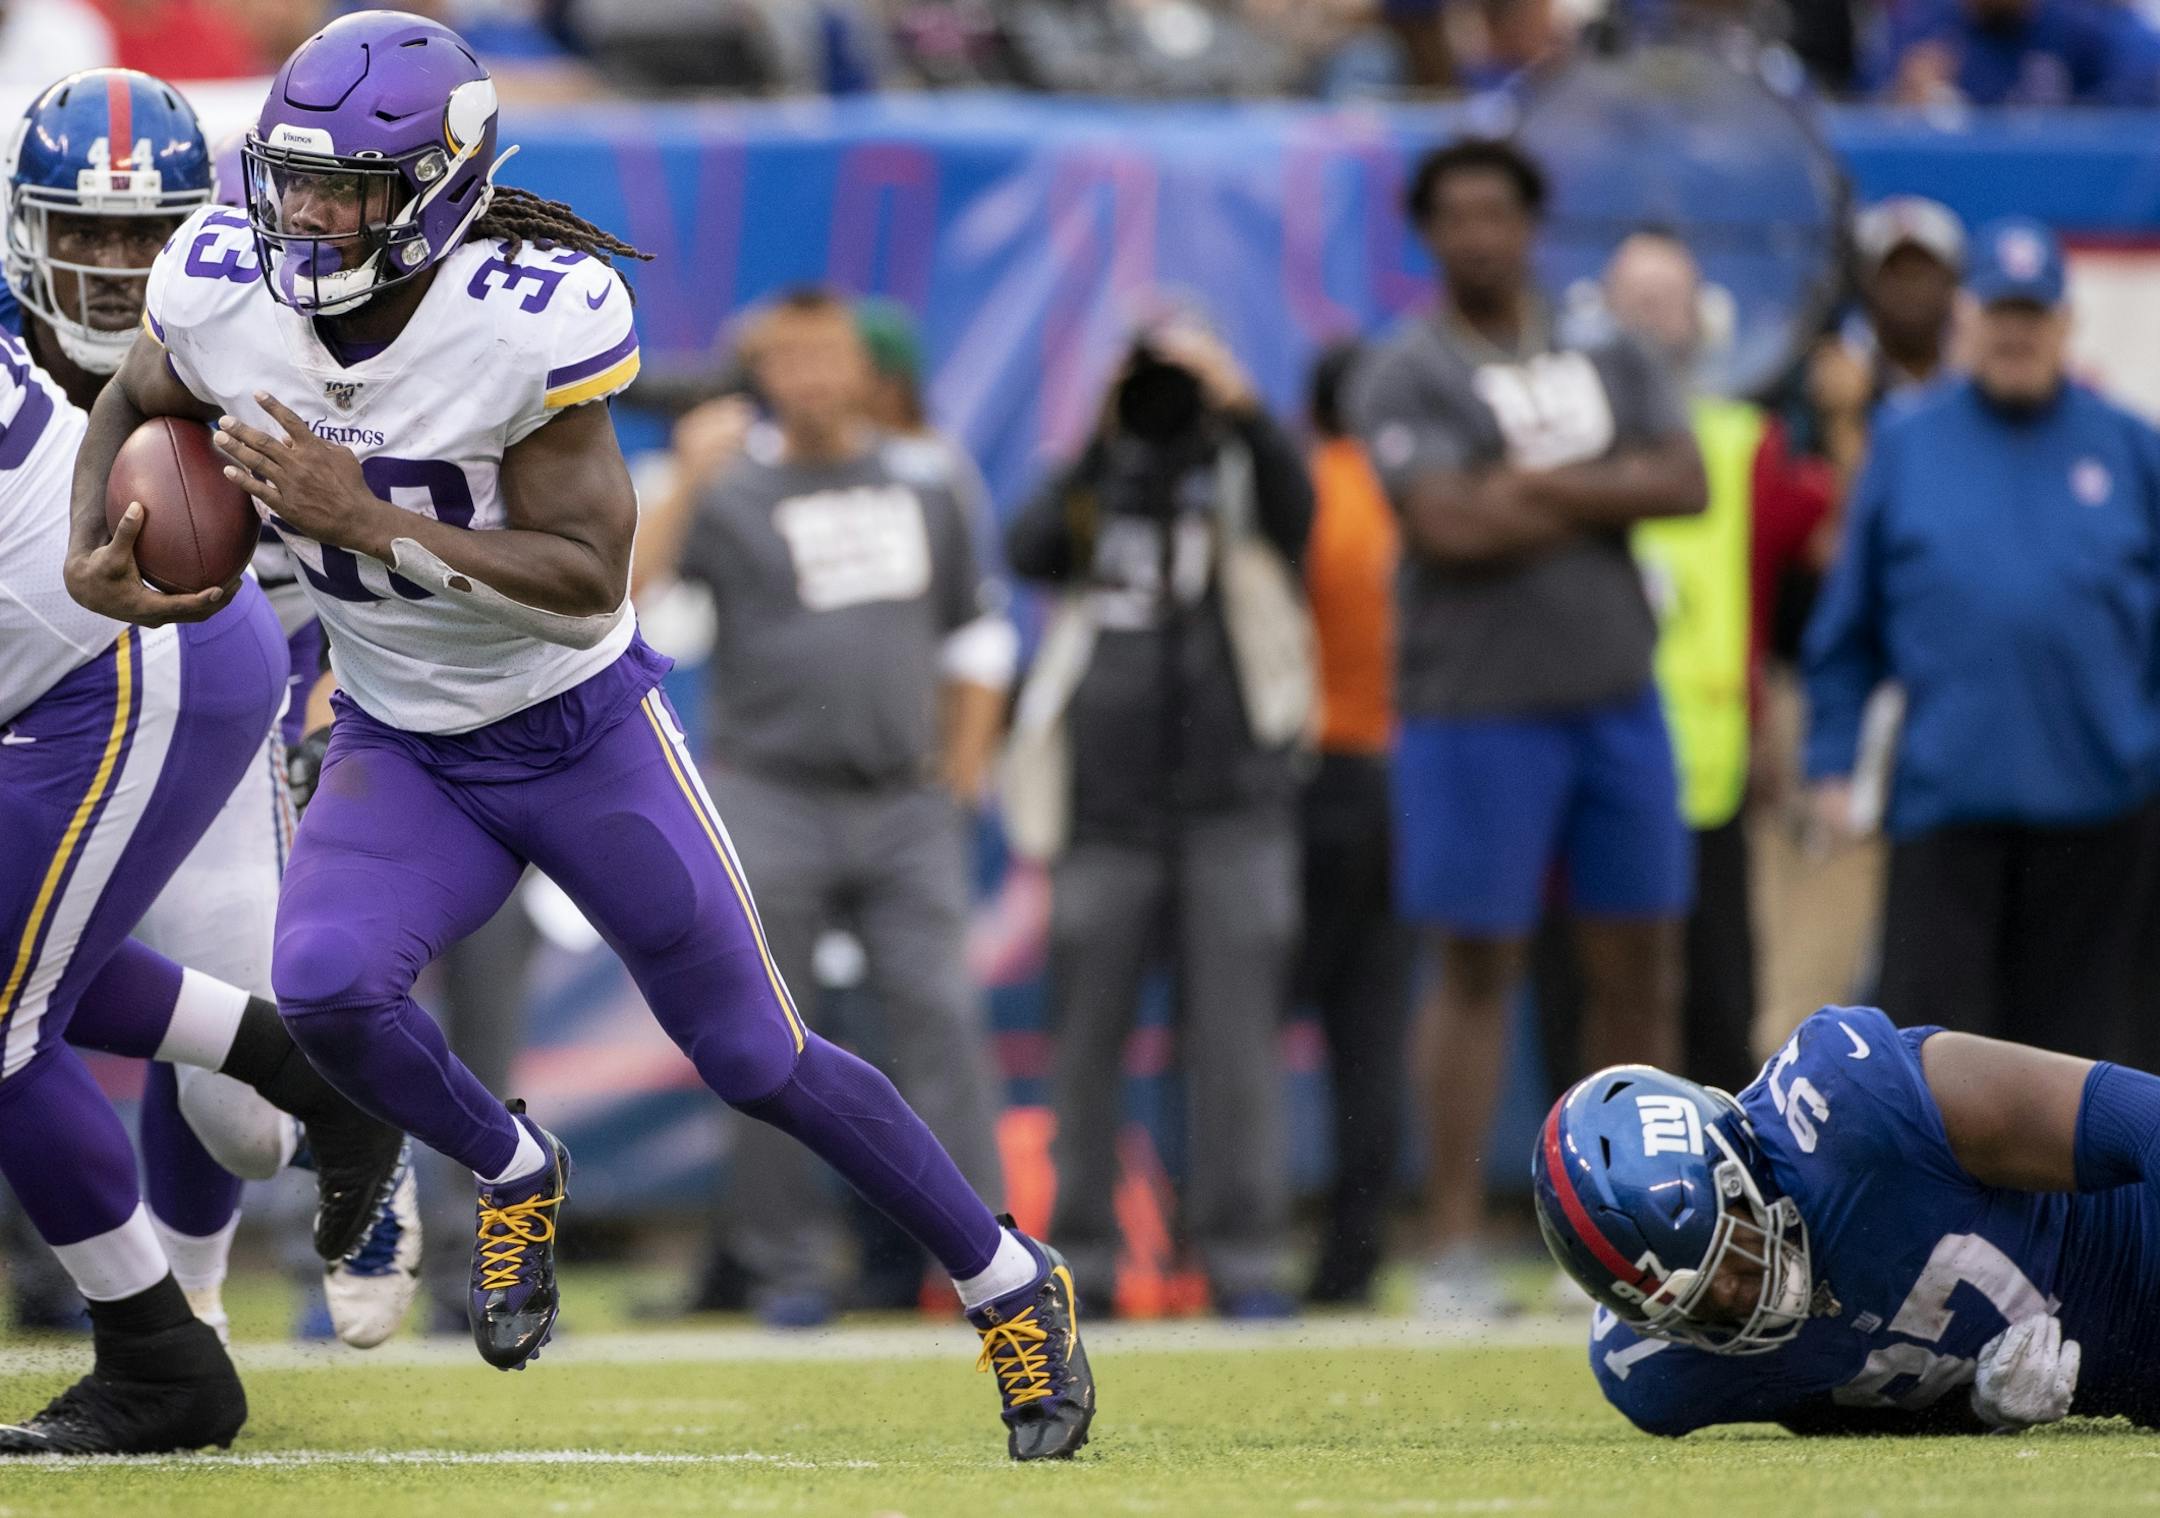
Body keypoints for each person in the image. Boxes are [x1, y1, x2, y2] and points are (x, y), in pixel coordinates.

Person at [69, 12, 1092, 1460]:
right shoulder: (224, 288)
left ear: (441, 187)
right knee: (324, 984)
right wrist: (83, 550)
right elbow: (133, 394)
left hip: (576, 731)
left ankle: (1007, 1280)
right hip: (402, 738)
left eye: (351, 188)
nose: (309, 213)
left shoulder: (522, 311)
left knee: (756, 1050)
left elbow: (584, 580)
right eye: (295, 179)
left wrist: (367, 516)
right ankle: (510, 1159)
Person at [0, 67, 412, 1456]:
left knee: (210, 1117)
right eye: (85, 233)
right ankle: (184, 1326)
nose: (115, 269)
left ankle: (178, 1325)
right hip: (80, 661)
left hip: (180, 673)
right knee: (15, 984)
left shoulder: (275, 322)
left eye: (144, 236)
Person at [1348, 139, 1705, 1318]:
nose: (1479, 235)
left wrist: (1529, 487)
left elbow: (1686, 480)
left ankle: (1639, 1233)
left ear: (1532, 222)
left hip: (1614, 694)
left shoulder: (1610, 343)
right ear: (1428, 233)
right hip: (1474, 706)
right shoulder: (1404, 369)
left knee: (1638, 961)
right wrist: (1602, 481)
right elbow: (1445, 526)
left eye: (1498, 212)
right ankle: (1451, 1235)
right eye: (1454, 216)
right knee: (1474, 961)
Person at [662, 288, 1015, 1327]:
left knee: (941, 1020)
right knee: (766, 1037)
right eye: (792, 359)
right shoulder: (729, 489)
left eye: (831, 358)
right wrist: (684, 482)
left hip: (906, 799)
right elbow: (631, 605)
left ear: (865, 370)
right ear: (761, 373)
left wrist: (962, 766)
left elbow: (978, 634)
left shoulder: (927, 477)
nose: (813, 378)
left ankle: (986, 1258)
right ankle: (784, 1269)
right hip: (773, 794)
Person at [1005, 314, 1313, 1319]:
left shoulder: (1242, 467)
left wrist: (1239, 409)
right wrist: (1106, 439)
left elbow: (1301, 515)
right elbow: (1030, 548)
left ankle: (1245, 1257)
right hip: (1107, 812)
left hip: (1235, 803)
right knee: (1086, 1041)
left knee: (1236, 1044)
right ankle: (1084, 1257)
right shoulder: (1104, 472)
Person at [1804, 218, 2160, 1063]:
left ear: (2067, 327)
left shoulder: (2130, 446)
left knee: (2091, 1073)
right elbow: (1848, 626)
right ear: (1967, 321)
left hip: (2104, 812)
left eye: (2034, 315)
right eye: (2000, 312)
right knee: (1937, 1073)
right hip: (1946, 807)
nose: (2016, 334)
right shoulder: (1906, 442)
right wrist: (1830, 762)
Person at [1538, 1006, 2160, 1435]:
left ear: (1739, 1166)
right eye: (1695, 1308)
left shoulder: (1856, 1113)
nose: (1733, 1298)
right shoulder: (1660, 1376)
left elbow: (2142, 1119)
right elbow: (1849, 1412)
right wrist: (1978, 1410)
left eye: (1729, 1254)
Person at [1297, 340, 1413, 1306]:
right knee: (1372, 1028)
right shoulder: (1424, 495)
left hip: (1312, 769)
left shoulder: (1312, 491)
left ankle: (1225, 1234)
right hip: (1409, 772)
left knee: (1246, 1015)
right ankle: (1356, 1249)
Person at [1867, 0, 2160, 107]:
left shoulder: (2074, 27)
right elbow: (1862, 103)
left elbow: (2137, 87)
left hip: (2051, 177)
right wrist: (1902, 95)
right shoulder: (1923, 27)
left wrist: (2077, 114)